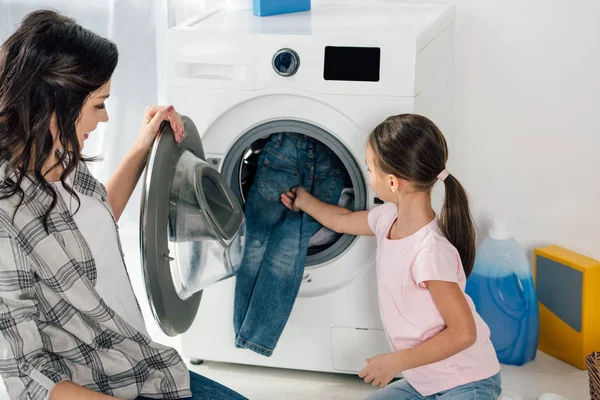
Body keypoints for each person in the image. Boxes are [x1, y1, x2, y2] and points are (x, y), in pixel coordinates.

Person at [0, 10, 247, 400]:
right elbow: (27, 379)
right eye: (98, 104)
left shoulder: (59, 158)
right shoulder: (6, 217)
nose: (105, 117)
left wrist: (142, 146)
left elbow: (86, 232)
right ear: (54, 106)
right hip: (97, 386)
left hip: (140, 364)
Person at [281, 114, 502, 399]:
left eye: (370, 169)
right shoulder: (387, 219)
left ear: (393, 183)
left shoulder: (430, 252)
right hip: (424, 384)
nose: (368, 176)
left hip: (468, 381)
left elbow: (463, 334)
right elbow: (342, 219)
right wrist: (304, 200)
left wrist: (394, 362)